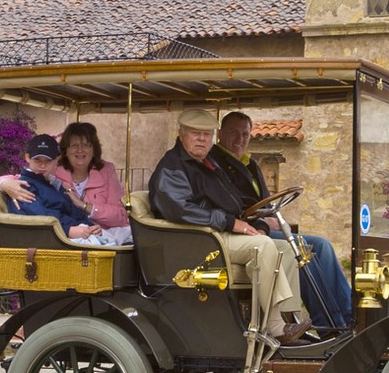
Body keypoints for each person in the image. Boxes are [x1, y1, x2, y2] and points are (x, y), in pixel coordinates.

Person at [148, 109, 312, 345]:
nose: (203, 139)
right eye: (196, 133)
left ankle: (289, 319)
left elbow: (236, 203)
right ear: (181, 134)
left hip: (216, 234)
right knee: (263, 248)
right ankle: (276, 328)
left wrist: (257, 225)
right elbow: (180, 211)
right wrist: (230, 223)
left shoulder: (208, 165)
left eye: (207, 134)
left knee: (284, 249)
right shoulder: (173, 167)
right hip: (196, 240)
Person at [211, 111, 354, 329]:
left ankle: (348, 316)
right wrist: (264, 221)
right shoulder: (216, 164)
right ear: (220, 133)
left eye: (245, 134)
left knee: (322, 245)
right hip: (245, 231)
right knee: (302, 248)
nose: (240, 139)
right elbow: (231, 207)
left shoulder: (250, 165)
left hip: (263, 225)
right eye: (233, 133)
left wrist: (274, 215)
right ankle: (328, 324)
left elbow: (266, 200)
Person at [0, 122, 129, 230]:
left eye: (86, 145)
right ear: (65, 151)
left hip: (102, 231)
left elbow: (121, 215)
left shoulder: (106, 170)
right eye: (74, 145)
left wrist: (84, 206)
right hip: (67, 233)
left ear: (94, 149)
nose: (80, 150)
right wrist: (4, 184)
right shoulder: (52, 167)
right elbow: (24, 178)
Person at [6, 134, 103, 240]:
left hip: (71, 233)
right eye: (37, 160)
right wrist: (68, 230)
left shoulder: (53, 183)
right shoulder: (23, 186)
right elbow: (40, 217)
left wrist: (90, 226)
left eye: (47, 160)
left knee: (119, 235)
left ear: (56, 160)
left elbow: (73, 211)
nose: (42, 165)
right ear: (28, 158)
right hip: (52, 239)